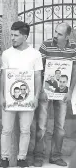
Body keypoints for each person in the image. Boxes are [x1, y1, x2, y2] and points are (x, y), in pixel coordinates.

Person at [0, 21, 43, 168]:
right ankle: (4, 158)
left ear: (25, 36)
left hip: (27, 98)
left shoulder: (35, 55)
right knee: (6, 129)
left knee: (25, 130)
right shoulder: (7, 54)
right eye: (11, 35)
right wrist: (2, 96)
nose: (12, 38)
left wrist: (36, 97)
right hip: (9, 99)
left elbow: (37, 77)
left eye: (16, 35)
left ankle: (22, 159)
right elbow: (3, 76)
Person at [33, 22, 76, 167]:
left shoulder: (74, 48)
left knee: (60, 127)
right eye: (56, 32)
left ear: (67, 36)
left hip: (63, 94)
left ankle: (56, 156)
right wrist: (41, 90)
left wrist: (70, 91)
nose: (56, 35)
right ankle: (38, 156)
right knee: (41, 125)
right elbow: (38, 68)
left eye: (60, 34)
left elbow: (75, 70)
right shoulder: (46, 45)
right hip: (46, 92)